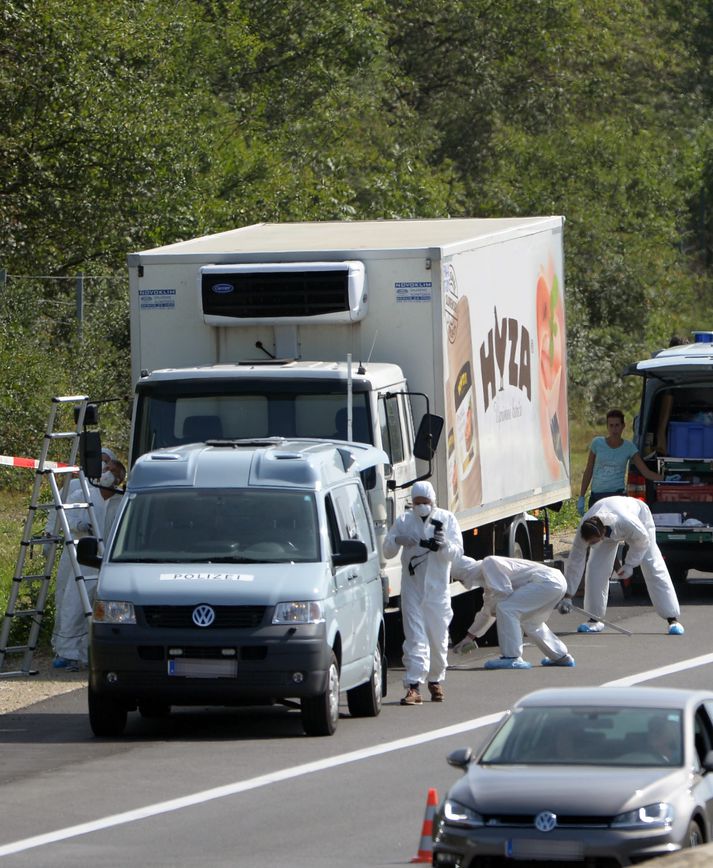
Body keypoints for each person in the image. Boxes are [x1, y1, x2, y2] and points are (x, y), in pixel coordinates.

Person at [383, 480, 462, 705]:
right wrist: (398, 540)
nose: (421, 506)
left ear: (433, 501)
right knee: (415, 638)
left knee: (438, 639)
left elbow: (457, 553)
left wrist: (443, 544)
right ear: (412, 502)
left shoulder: (446, 519)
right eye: (417, 502)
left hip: (438, 591)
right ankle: (413, 686)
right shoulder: (404, 521)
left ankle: (435, 680)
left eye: (425, 502)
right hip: (413, 589)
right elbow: (387, 550)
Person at [562, 495, 684, 635]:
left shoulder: (628, 522)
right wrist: (568, 595)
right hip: (607, 523)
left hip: (639, 519)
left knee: (652, 565)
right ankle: (594, 619)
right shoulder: (585, 528)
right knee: (595, 569)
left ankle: (672, 619)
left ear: (601, 535)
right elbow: (575, 561)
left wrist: (630, 564)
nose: (591, 545)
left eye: (593, 542)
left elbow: (642, 541)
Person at [52, 453, 124, 670]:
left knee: (104, 611)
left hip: (109, 564)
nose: (109, 476)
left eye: (114, 473)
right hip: (83, 560)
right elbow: (66, 519)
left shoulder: (122, 501)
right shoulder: (81, 494)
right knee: (72, 607)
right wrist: (81, 524)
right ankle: (67, 652)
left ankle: (95, 654)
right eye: (107, 470)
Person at [450, 555, 574, 669]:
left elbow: (503, 594)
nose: (461, 582)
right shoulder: (489, 581)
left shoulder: (489, 563)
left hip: (547, 582)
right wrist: (469, 637)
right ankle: (560, 656)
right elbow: (487, 613)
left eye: (459, 578)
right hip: (554, 582)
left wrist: (494, 608)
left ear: (466, 573)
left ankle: (512, 657)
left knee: (506, 608)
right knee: (531, 622)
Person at [577, 409, 662, 515]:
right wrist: (581, 496)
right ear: (607, 427)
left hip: (617, 497)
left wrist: (665, 479)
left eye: (617, 425)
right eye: (611, 425)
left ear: (623, 426)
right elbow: (589, 470)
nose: (614, 429)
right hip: (597, 496)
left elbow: (645, 472)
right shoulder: (597, 443)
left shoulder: (629, 447)